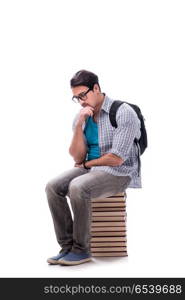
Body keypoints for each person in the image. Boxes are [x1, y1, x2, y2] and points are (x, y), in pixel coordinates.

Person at [45, 69, 141, 266]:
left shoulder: (123, 112)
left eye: (83, 95)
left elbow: (116, 158)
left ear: (96, 88)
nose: (81, 101)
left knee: (78, 187)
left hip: (119, 173)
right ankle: (67, 247)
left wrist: (87, 164)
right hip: (90, 169)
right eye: (76, 98)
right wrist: (80, 123)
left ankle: (81, 250)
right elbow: (77, 156)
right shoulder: (82, 115)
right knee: (52, 186)